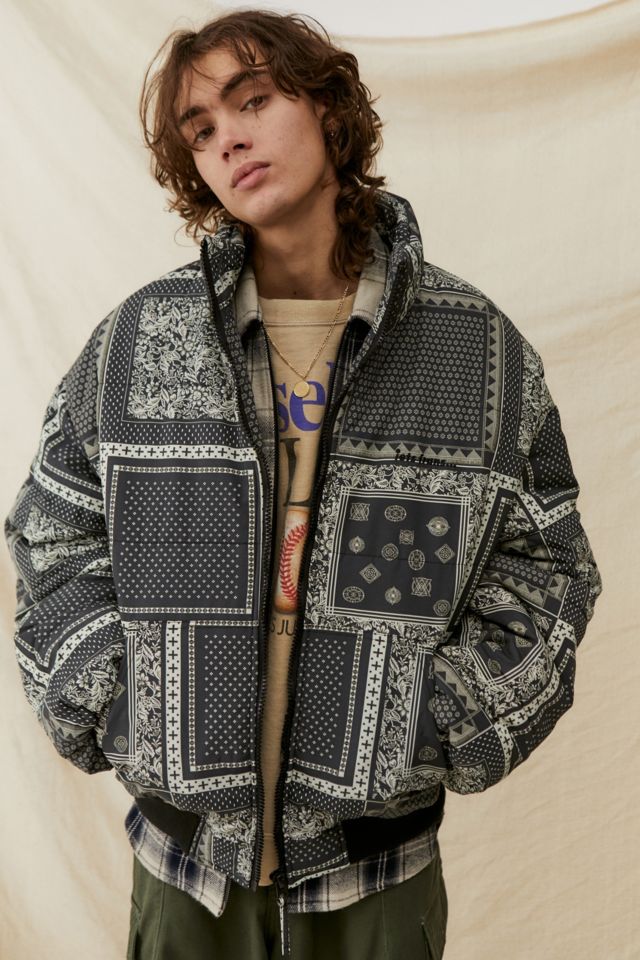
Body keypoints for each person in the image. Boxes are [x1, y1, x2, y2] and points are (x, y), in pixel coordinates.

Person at [3, 9, 603, 960]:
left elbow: (547, 570)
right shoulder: (137, 343)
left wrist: (434, 720)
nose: (228, 139)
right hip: (186, 873)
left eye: (253, 101)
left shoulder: (473, 351)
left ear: (328, 107)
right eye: (201, 129)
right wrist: (124, 703)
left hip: (378, 875)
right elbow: (51, 537)